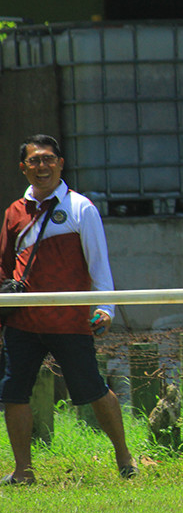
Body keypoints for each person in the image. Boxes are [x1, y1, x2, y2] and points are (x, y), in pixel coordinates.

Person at [0, 134, 136, 485]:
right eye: (34, 161)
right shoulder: (14, 213)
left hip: (69, 320)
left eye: (48, 159)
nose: (41, 166)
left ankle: (125, 458)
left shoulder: (81, 208)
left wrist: (106, 307)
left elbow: (99, 263)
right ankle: (23, 471)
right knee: (13, 391)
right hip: (22, 321)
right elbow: (3, 266)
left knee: (92, 388)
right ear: (23, 168)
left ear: (60, 163)